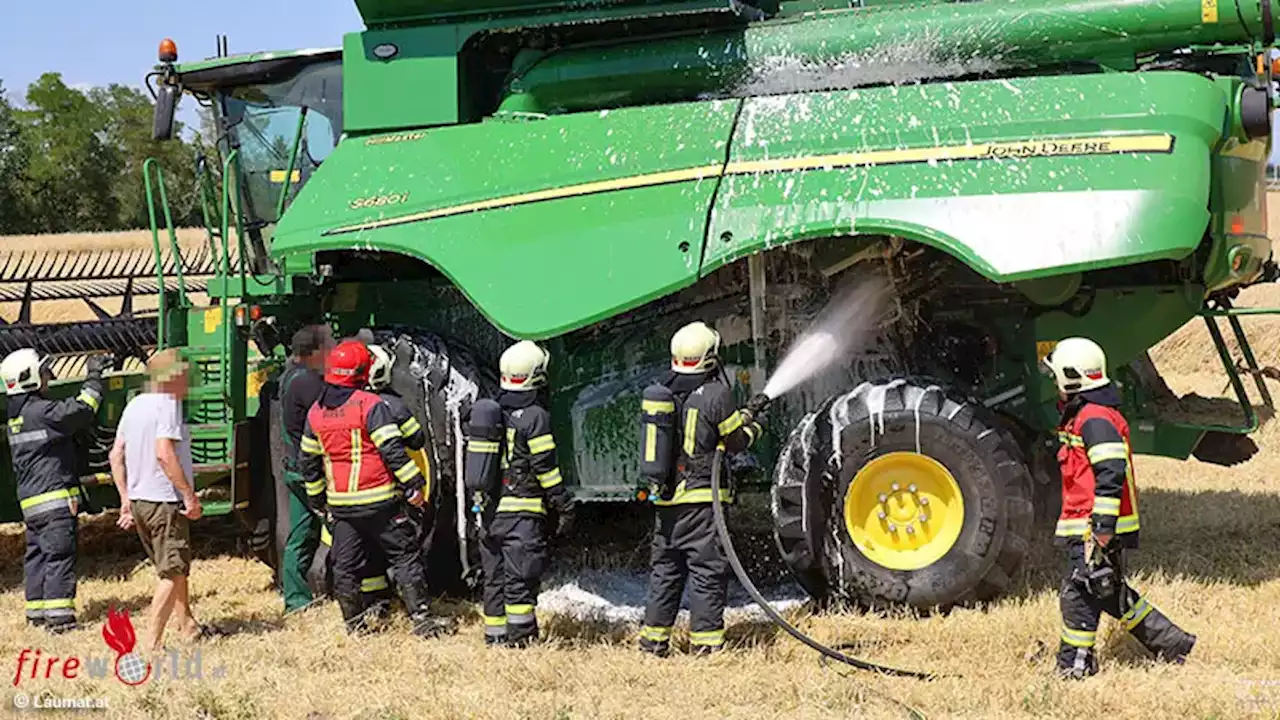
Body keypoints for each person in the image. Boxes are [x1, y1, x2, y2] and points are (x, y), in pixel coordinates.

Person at [1043, 336, 1196, 679]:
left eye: (1057, 377)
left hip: (1095, 527)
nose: (1054, 384)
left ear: (1072, 378)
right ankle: (1171, 643)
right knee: (1106, 590)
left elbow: (1110, 473)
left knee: (1080, 592)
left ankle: (1076, 664)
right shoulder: (1086, 415)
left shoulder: (1094, 419)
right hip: (1090, 524)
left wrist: (1101, 529)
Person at [298, 339, 452, 638]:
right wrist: (414, 487)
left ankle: (354, 626)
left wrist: (318, 502)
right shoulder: (370, 405)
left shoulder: (316, 413)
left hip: (341, 506)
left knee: (345, 566)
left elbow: (308, 463)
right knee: (405, 556)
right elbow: (393, 451)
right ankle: (422, 620)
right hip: (380, 501)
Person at [638, 321, 763, 657]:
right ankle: (706, 646)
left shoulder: (662, 390)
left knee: (665, 571)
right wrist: (756, 427)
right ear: (710, 357)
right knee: (707, 571)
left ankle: (653, 642)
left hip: (667, 501)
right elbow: (734, 441)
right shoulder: (716, 393)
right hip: (702, 502)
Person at [465, 340, 575, 648]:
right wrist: (562, 503)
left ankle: (495, 638)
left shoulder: (489, 410)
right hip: (521, 514)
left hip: (488, 513)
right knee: (520, 580)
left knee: (494, 578)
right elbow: (545, 467)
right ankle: (522, 642)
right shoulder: (535, 416)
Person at [110, 348, 218, 653]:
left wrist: (125, 499)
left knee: (174, 567)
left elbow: (116, 455)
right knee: (172, 573)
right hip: (164, 502)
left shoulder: (134, 405)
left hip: (142, 501)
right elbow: (164, 453)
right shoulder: (168, 403)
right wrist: (188, 495)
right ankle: (151, 645)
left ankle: (187, 626)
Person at [3, 348, 109, 633]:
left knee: (36, 557)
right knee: (59, 556)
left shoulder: (17, 417)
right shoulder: (42, 412)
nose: (49, 376)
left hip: (32, 504)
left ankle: (36, 615)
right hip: (54, 501)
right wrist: (94, 376)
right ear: (30, 378)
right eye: (44, 372)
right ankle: (60, 621)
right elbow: (82, 410)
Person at [277, 324, 335, 614]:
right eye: (328, 347)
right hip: (309, 469)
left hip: (294, 466)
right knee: (341, 526)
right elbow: (330, 416)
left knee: (301, 533)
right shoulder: (308, 382)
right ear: (314, 352)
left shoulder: (289, 377)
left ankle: (296, 599)